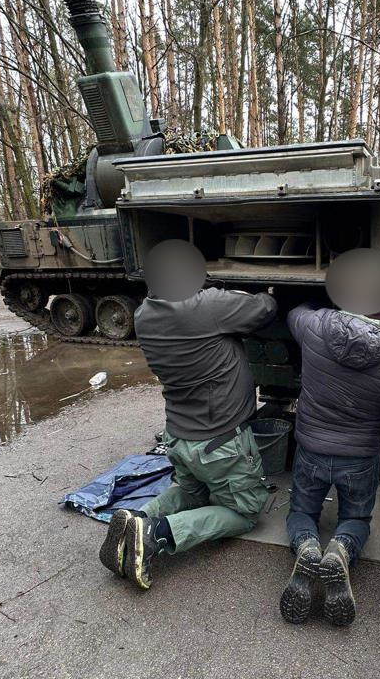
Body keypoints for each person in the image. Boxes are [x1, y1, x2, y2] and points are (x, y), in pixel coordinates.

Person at [99, 239, 276, 590]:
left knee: (192, 493)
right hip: (220, 442)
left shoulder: (144, 313)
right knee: (246, 513)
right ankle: (158, 534)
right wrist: (266, 291)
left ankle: (135, 519)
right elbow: (263, 309)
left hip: (179, 437)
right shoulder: (205, 306)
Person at [281, 248, 380, 628]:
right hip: (360, 458)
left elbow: (294, 312)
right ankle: (341, 553)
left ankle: (307, 546)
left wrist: (323, 298)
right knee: (356, 517)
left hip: (311, 449)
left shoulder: (314, 327)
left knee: (301, 511)